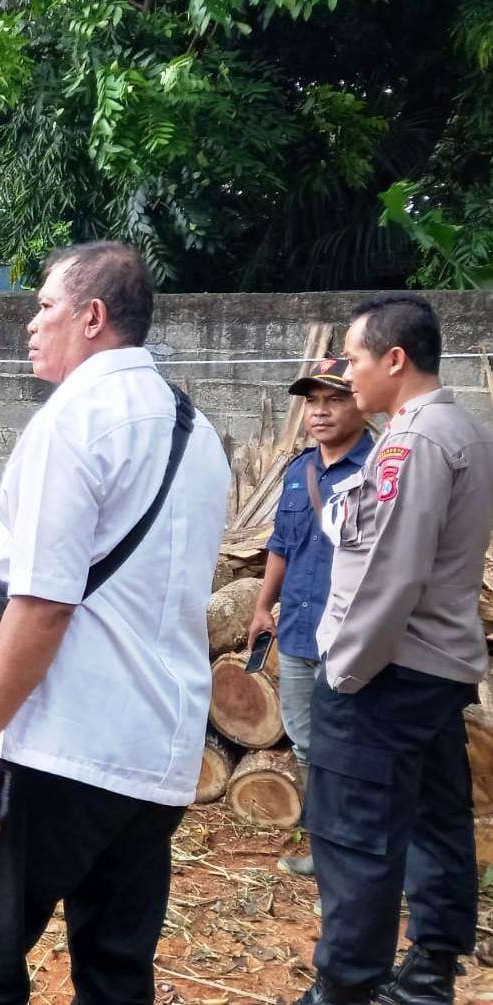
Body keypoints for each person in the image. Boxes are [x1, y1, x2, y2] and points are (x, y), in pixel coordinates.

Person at [0, 241, 230, 1005]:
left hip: (61, 749)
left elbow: (43, 604)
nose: (31, 323)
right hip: (157, 757)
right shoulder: (196, 433)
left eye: (45, 306)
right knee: (115, 969)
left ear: (93, 317)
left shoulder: (75, 421)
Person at [294, 295, 493, 1005]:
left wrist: (345, 671)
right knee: (436, 815)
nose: (346, 375)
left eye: (352, 359)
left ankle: (346, 986)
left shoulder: (414, 441)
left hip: (388, 669)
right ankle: (430, 968)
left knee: (353, 834)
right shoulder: (455, 428)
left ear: (395, 359)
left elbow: (392, 571)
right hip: (434, 666)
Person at [247, 359, 372, 877]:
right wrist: (260, 605)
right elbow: (281, 545)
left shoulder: (380, 469)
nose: (319, 412)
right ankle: (327, 850)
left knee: (355, 746)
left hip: (353, 637)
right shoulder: (299, 471)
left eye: (334, 400)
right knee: (304, 739)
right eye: (312, 402)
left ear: (361, 403)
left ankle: (360, 857)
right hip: (298, 629)